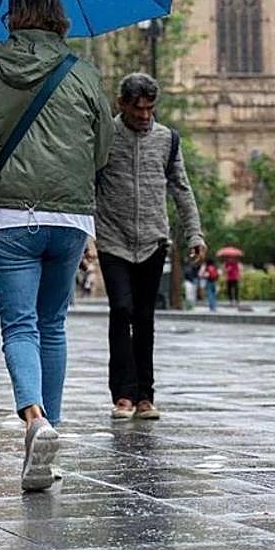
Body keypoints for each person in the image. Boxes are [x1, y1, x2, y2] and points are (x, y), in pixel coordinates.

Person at [0, 0, 114, 492]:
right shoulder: (82, 73)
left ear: (12, 16)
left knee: (20, 326)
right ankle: (51, 433)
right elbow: (103, 148)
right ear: (58, 16)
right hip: (69, 217)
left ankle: (35, 421)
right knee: (54, 324)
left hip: (7, 215)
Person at [95, 73, 205, 422]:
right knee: (121, 310)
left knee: (145, 317)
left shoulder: (167, 139)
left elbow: (181, 189)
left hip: (153, 240)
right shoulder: (105, 136)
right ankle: (122, 394)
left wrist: (195, 234)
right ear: (122, 104)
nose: (144, 115)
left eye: (150, 108)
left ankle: (145, 395)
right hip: (113, 238)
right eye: (138, 108)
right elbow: (87, 185)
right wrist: (84, 237)